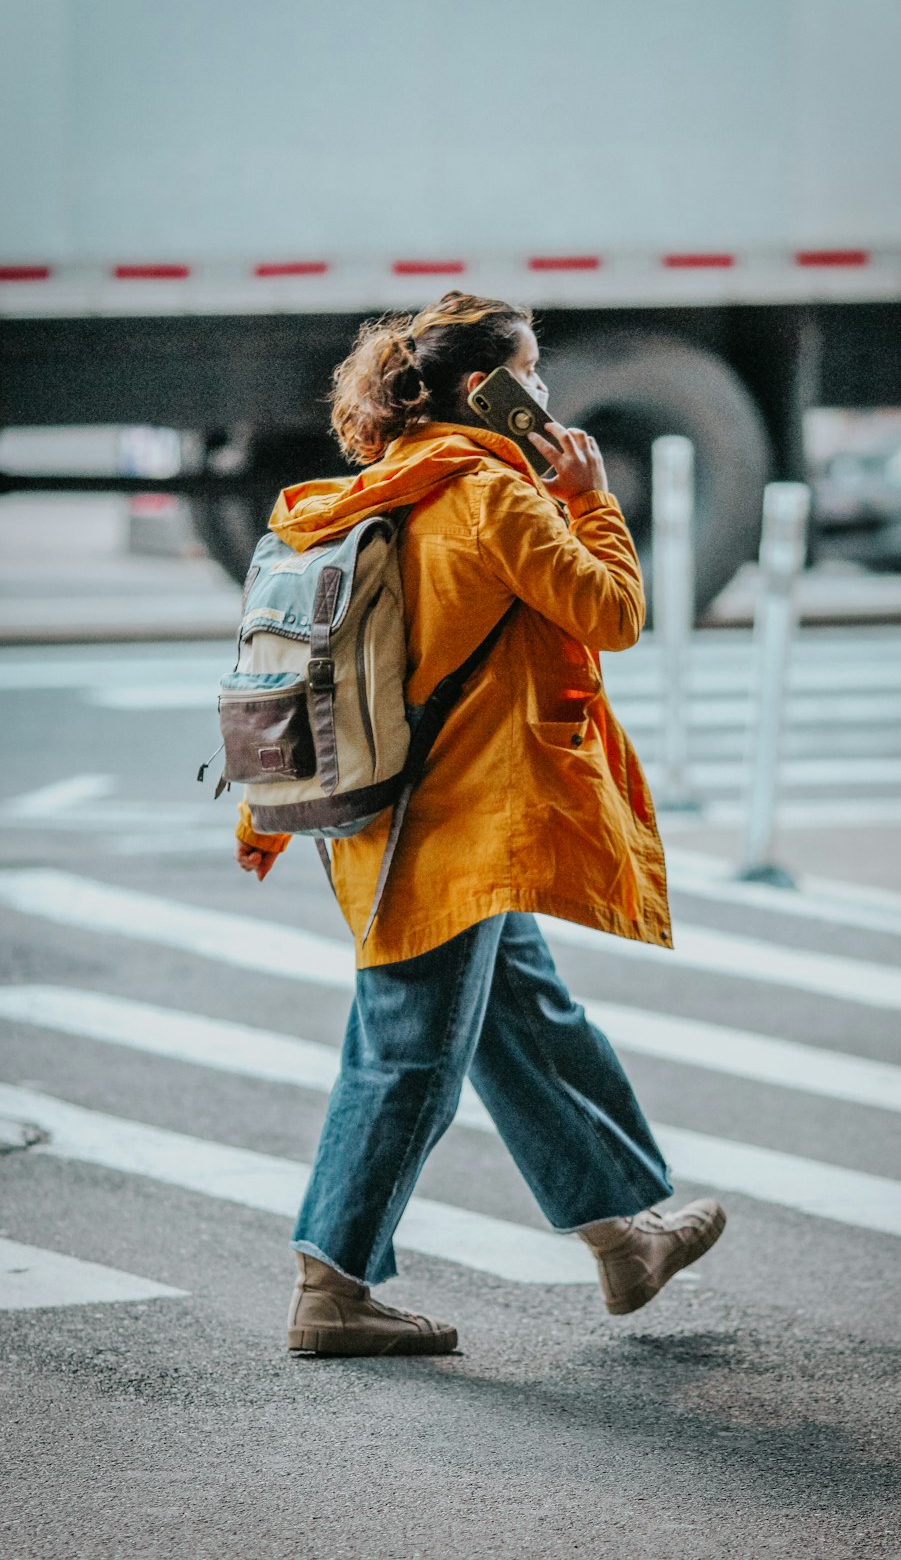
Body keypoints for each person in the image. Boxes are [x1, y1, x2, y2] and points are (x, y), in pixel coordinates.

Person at [235, 291, 726, 1356]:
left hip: (398, 814)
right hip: (457, 824)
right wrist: (589, 500)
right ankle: (333, 1285)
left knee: (529, 1024)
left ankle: (621, 1238)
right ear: (485, 390)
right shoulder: (491, 498)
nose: (543, 390)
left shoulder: (384, 487)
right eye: (530, 370)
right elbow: (613, 616)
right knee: (408, 1056)